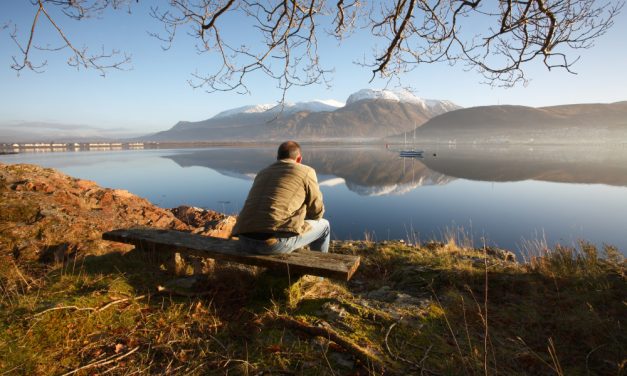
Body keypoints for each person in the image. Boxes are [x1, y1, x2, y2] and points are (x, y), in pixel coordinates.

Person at [233, 141, 330, 254]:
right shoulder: (306, 171)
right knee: (324, 225)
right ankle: (318, 267)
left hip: (244, 241)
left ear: (278, 158)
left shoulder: (262, 172)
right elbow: (317, 213)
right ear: (299, 159)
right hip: (272, 245)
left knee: (292, 224)